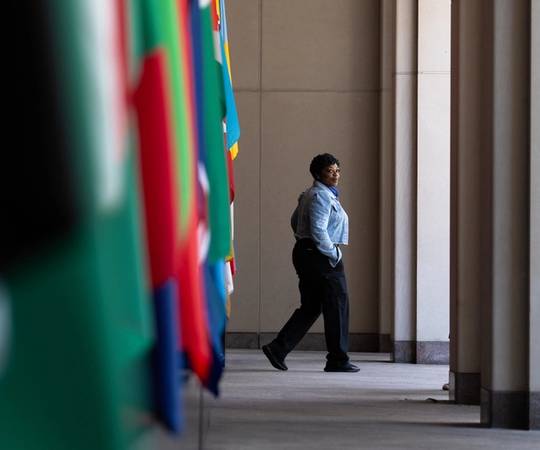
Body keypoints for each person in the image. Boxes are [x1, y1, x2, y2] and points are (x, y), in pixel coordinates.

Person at [262, 153, 359, 373]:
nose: (335, 174)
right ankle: (338, 359)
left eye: (337, 170)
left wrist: (303, 241)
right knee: (337, 305)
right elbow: (318, 230)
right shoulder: (320, 197)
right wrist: (333, 253)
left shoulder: (312, 194)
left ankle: (278, 349)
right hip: (321, 256)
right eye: (329, 171)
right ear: (318, 174)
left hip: (308, 253)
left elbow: (295, 221)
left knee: (312, 306)